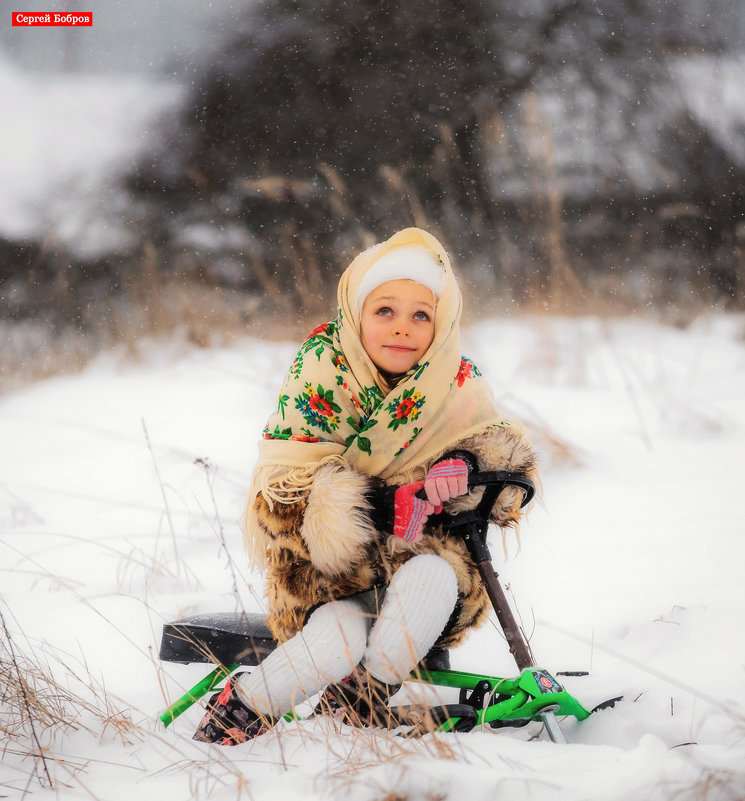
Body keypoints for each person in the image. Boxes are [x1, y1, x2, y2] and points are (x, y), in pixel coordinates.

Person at [193, 227, 538, 745]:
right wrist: (377, 504)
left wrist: (465, 463)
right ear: (357, 315)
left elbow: (507, 461)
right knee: (336, 643)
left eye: (421, 314)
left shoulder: (455, 380)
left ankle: (356, 706)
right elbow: (284, 495)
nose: (403, 329)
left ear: (440, 323)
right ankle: (233, 720)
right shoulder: (321, 370)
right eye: (385, 311)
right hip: (329, 578)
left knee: (434, 576)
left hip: (424, 572)